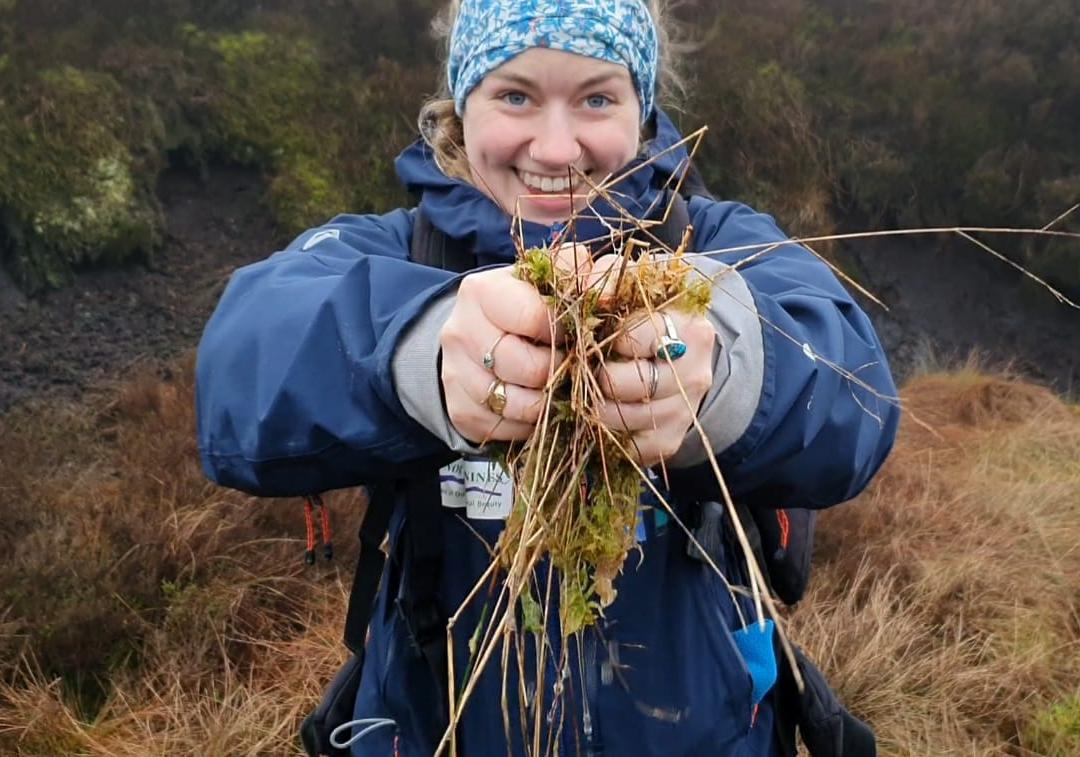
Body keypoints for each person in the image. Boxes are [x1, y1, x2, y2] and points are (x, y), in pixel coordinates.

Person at [195, 0, 900, 754]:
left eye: (597, 98)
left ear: (643, 110)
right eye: (516, 96)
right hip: (438, 728)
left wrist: (725, 373)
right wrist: (419, 352)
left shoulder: (718, 241)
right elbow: (241, 362)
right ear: (462, 109)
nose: (557, 148)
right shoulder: (398, 253)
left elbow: (856, 389)